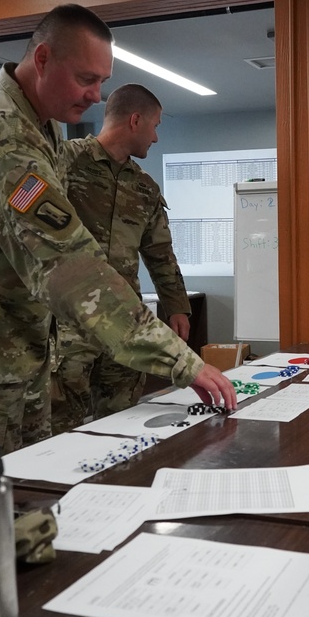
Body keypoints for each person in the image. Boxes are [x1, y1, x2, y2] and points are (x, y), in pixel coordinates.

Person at [0, 5, 236, 453]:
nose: (97, 96)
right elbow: (68, 267)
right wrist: (181, 361)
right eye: (86, 79)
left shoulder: (42, 124)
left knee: (39, 485)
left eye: (102, 81)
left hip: (21, 346)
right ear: (42, 60)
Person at [51, 84, 190, 434]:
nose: (156, 138)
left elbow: (160, 253)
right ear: (135, 120)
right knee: (58, 419)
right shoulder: (63, 161)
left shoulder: (144, 187)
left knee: (122, 418)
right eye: (156, 125)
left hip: (124, 320)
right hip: (67, 321)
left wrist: (177, 306)